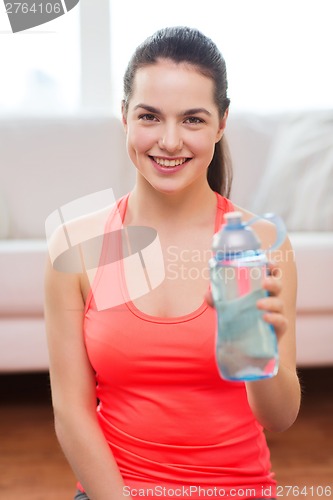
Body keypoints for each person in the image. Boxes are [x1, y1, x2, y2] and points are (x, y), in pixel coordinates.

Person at [44, 26, 300, 500]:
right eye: (149, 116)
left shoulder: (259, 243)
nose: (168, 140)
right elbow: (71, 412)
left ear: (222, 124)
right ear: (124, 116)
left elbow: (280, 418)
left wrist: (260, 351)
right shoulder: (77, 245)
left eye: (193, 120)